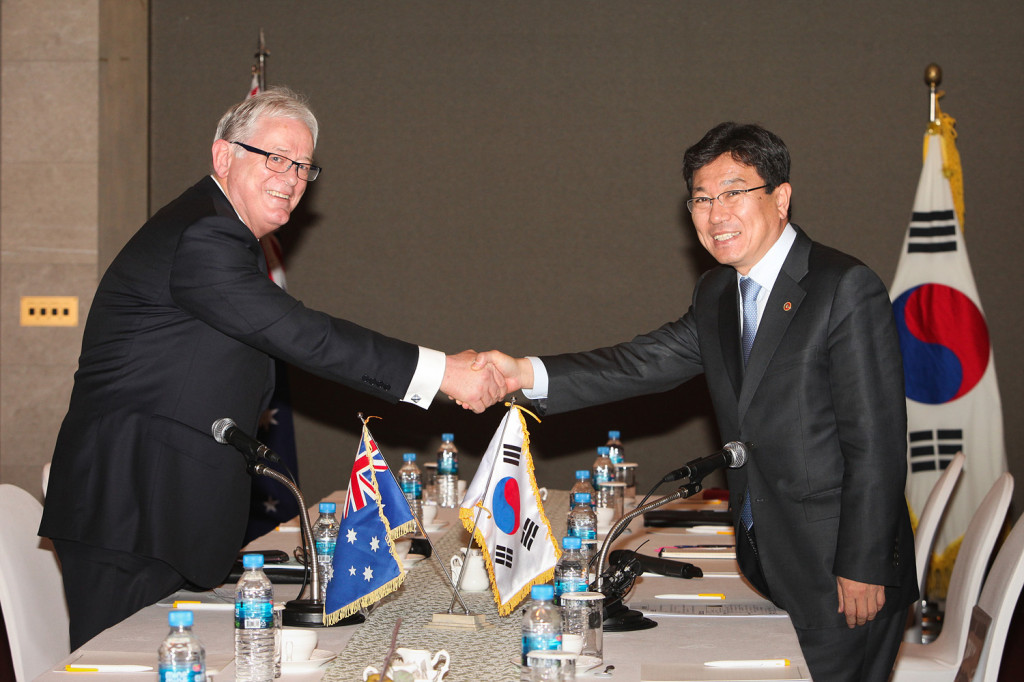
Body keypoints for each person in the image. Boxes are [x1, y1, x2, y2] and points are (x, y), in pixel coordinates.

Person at [39, 88, 506, 650]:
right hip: (135, 508)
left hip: (166, 508)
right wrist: (442, 373)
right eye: (275, 158)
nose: (291, 177)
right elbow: (304, 336)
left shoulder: (224, 233)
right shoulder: (204, 235)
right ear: (223, 157)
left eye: (304, 167)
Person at [475, 122, 917, 681]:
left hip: (842, 574)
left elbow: (876, 442)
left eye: (734, 192)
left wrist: (864, 564)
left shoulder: (843, 287)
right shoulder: (717, 292)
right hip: (772, 560)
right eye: (702, 199)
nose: (716, 213)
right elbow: (641, 363)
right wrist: (523, 373)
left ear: (781, 197)